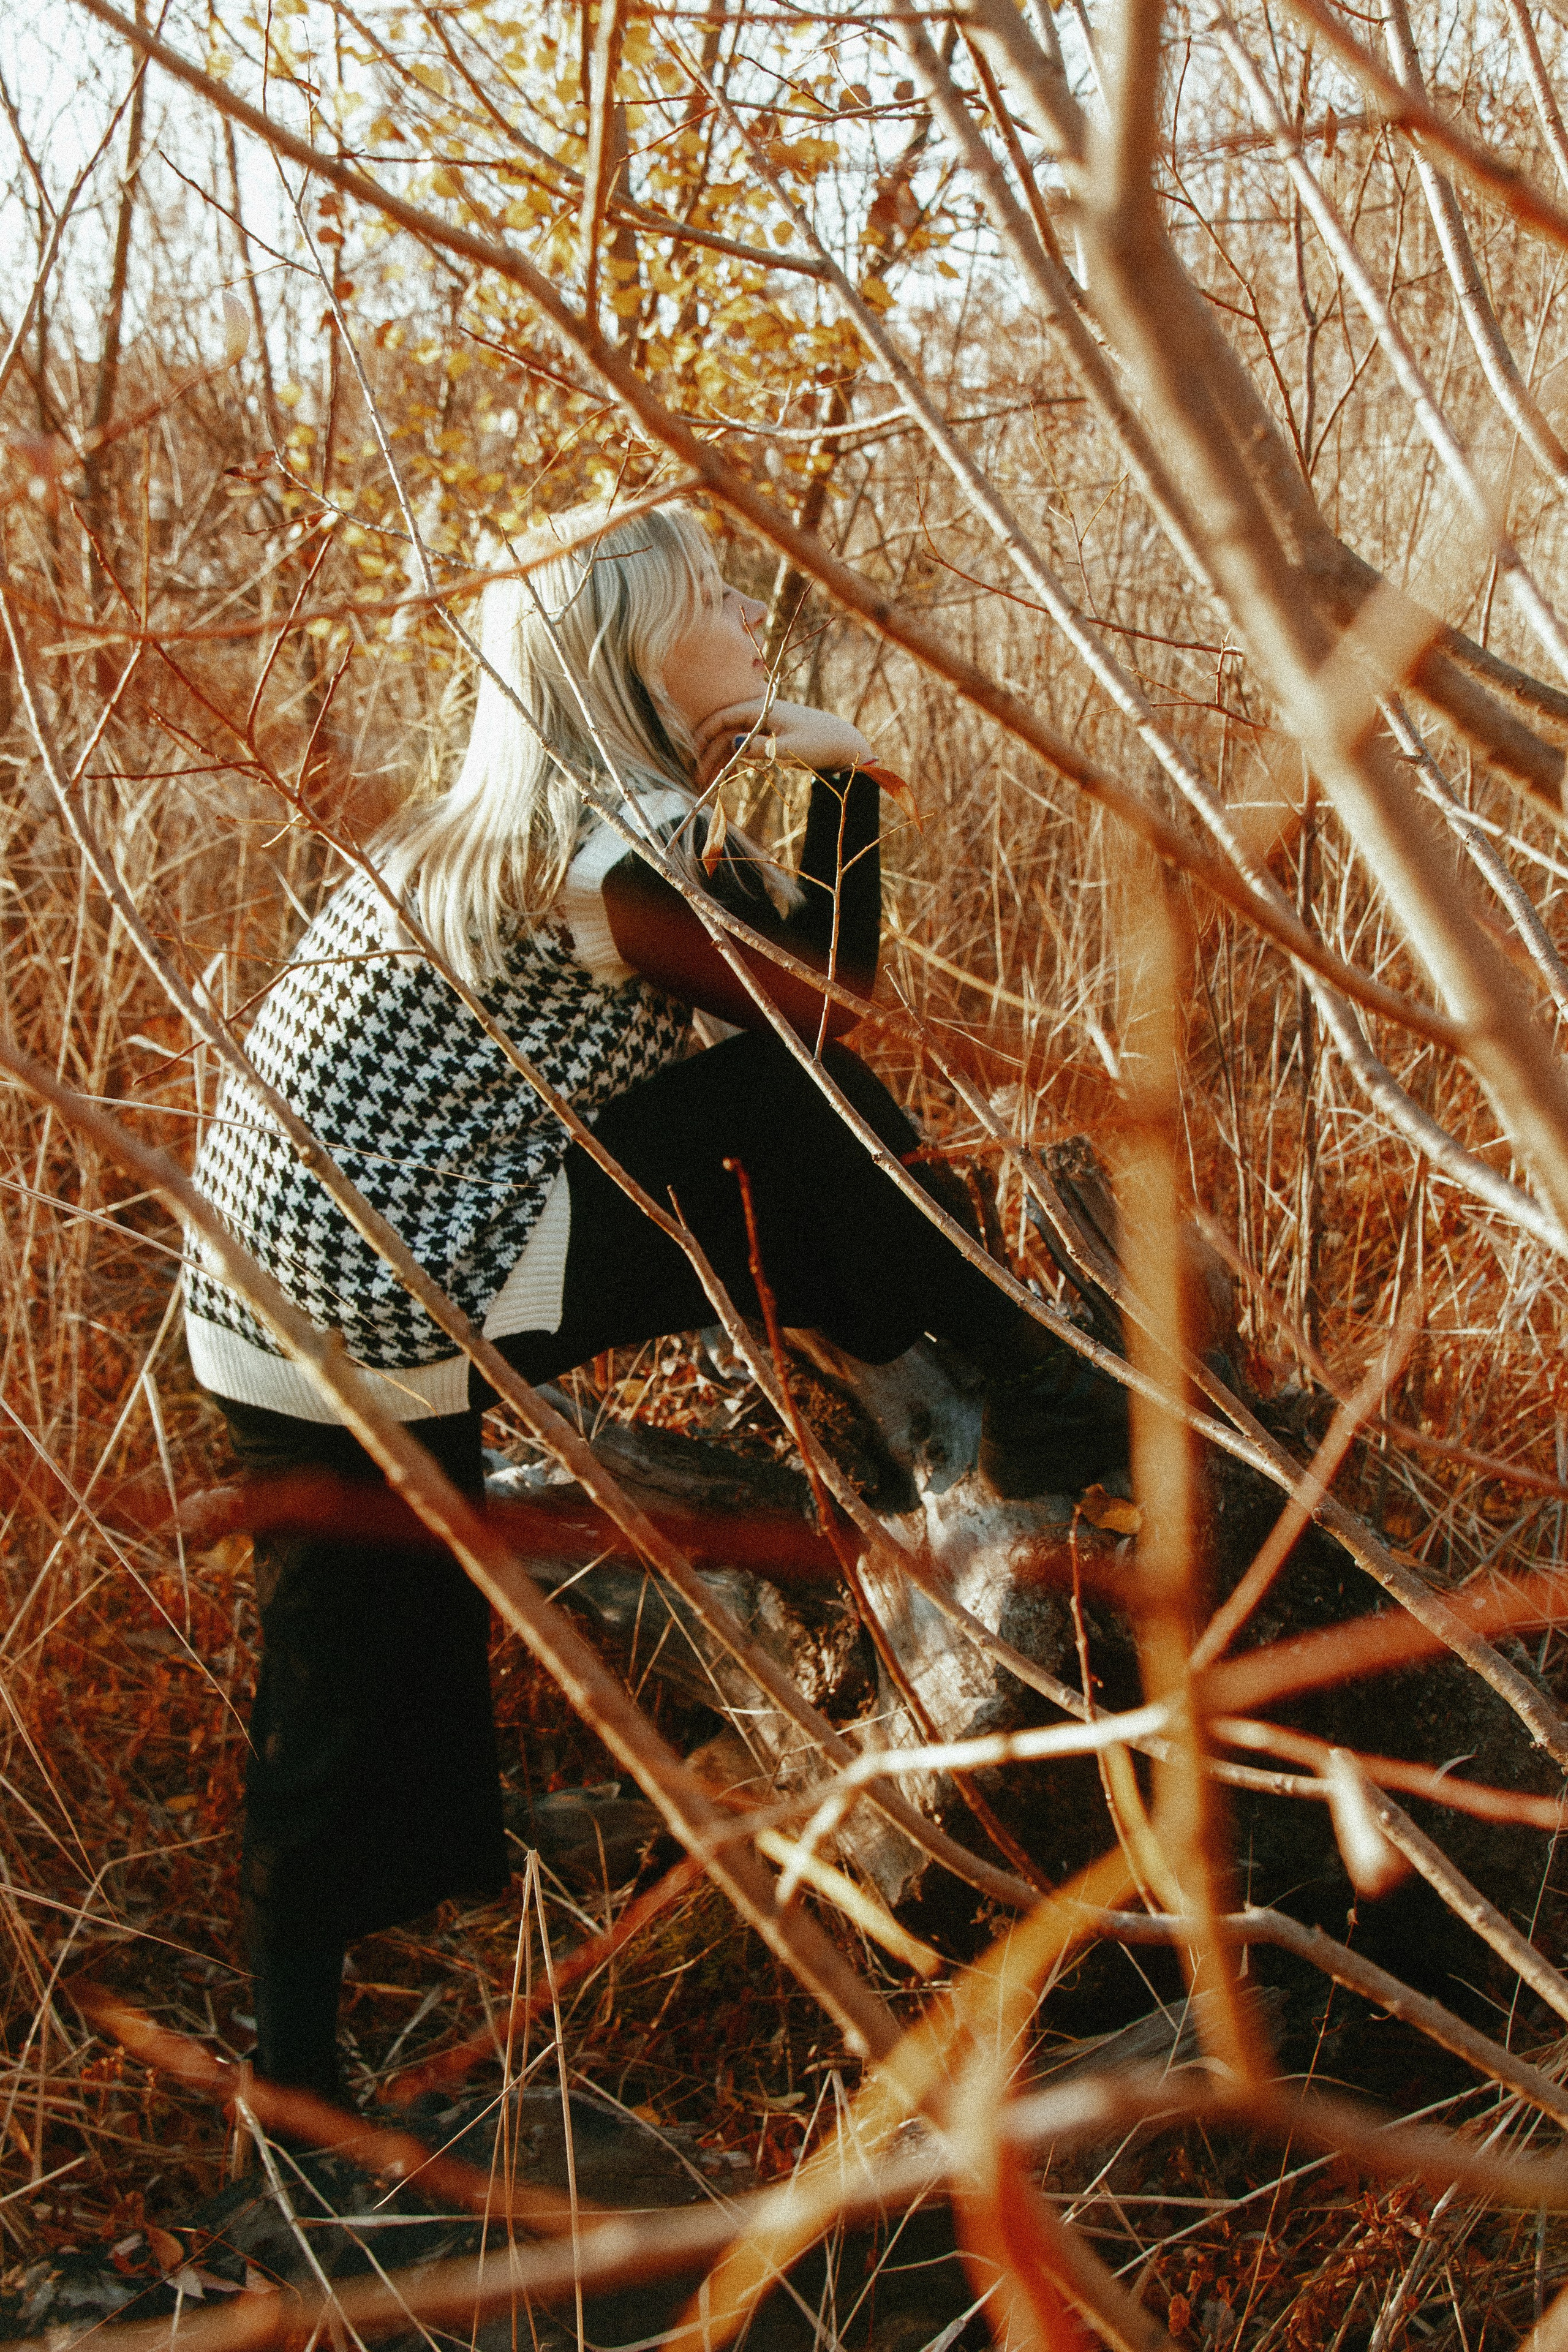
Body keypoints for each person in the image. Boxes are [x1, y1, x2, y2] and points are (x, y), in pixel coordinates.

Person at [183, 503, 1128, 2108]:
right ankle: (1025, 1386)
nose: (747, 614)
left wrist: (808, 759)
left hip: (317, 1284)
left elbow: (791, 975)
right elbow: (821, 1013)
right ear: (625, 647)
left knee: (366, 1659)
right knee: (353, 1674)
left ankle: (303, 2072)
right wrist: (824, 763)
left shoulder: (574, 815)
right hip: (370, 1293)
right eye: (711, 598)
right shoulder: (584, 836)